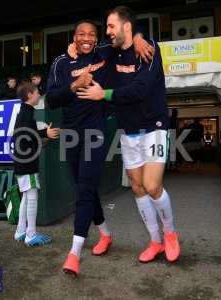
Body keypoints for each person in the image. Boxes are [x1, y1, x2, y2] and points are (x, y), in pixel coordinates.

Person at [46, 19, 153, 276]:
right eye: (81, 34)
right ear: (73, 37)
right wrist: (75, 84)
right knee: (85, 187)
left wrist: (139, 38)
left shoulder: (105, 52)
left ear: (96, 38)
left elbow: (125, 34)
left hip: (95, 130)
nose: (86, 38)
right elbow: (51, 99)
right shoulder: (61, 62)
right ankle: (105, 234)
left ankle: (74, 253)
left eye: (91, 34)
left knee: (84, 190)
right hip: (71, 132)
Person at [77, 6, 180, 264]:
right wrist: (74, 48)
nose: (107, 32)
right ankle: (155, 241)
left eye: (111, 26)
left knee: (152, 186)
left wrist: (106, 94)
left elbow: (141, 89)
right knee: (137, 187)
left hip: (154, 126)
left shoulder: (149, 49)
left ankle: (170, 234)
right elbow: (87, 48)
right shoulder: (111, 52)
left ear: (126, 26)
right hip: (129, 130)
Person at [12, 82, 60, 246]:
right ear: (29, 95)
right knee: (31, 195)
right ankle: (30, 234)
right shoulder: (26, 114)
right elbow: (26, 134)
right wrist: (44, 133)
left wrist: (41, 136)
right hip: (27, 163)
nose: (39, 94)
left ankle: (20, 231)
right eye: (37, 92)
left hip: (22, 161)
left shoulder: (25, 113)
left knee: (26, 194)